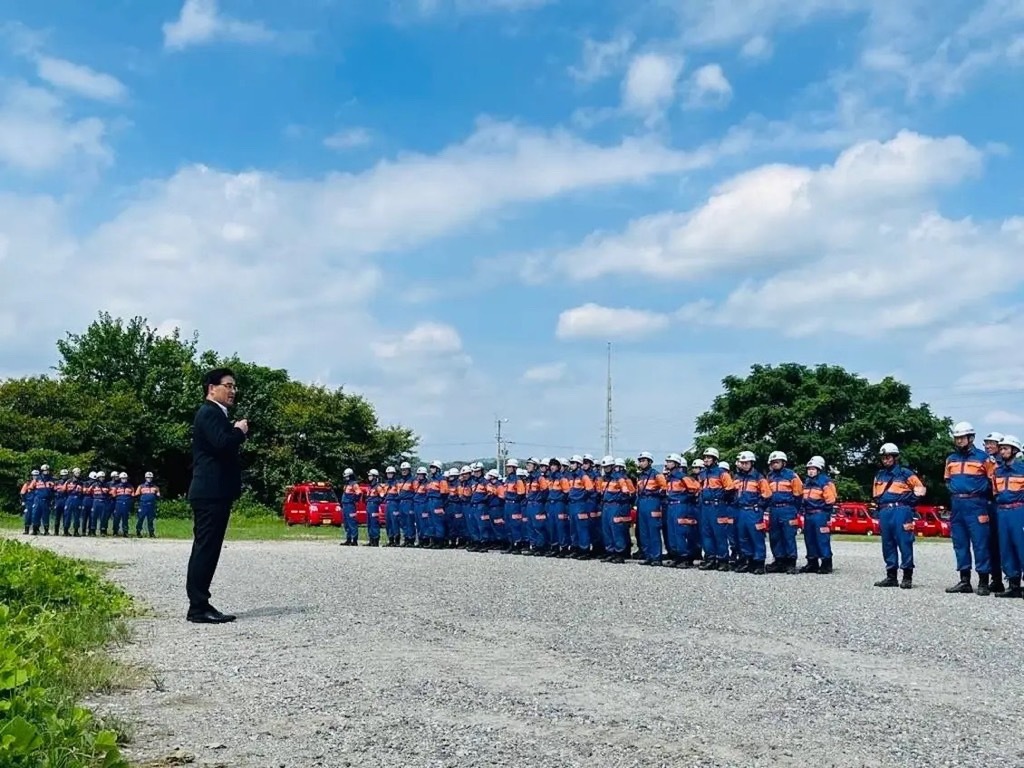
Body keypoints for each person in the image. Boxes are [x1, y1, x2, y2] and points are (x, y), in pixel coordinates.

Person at [186, 367, 248, 624]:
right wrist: (239, 431)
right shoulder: (209, 412)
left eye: (234, 386)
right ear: (212, 388)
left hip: (216, 493)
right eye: (228, 385)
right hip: (210, 493)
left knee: (209, 549)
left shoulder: (216, 414)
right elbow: (222, 443)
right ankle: (198, 607)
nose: (233, 391)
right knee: (206, 549)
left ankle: (200, 603)